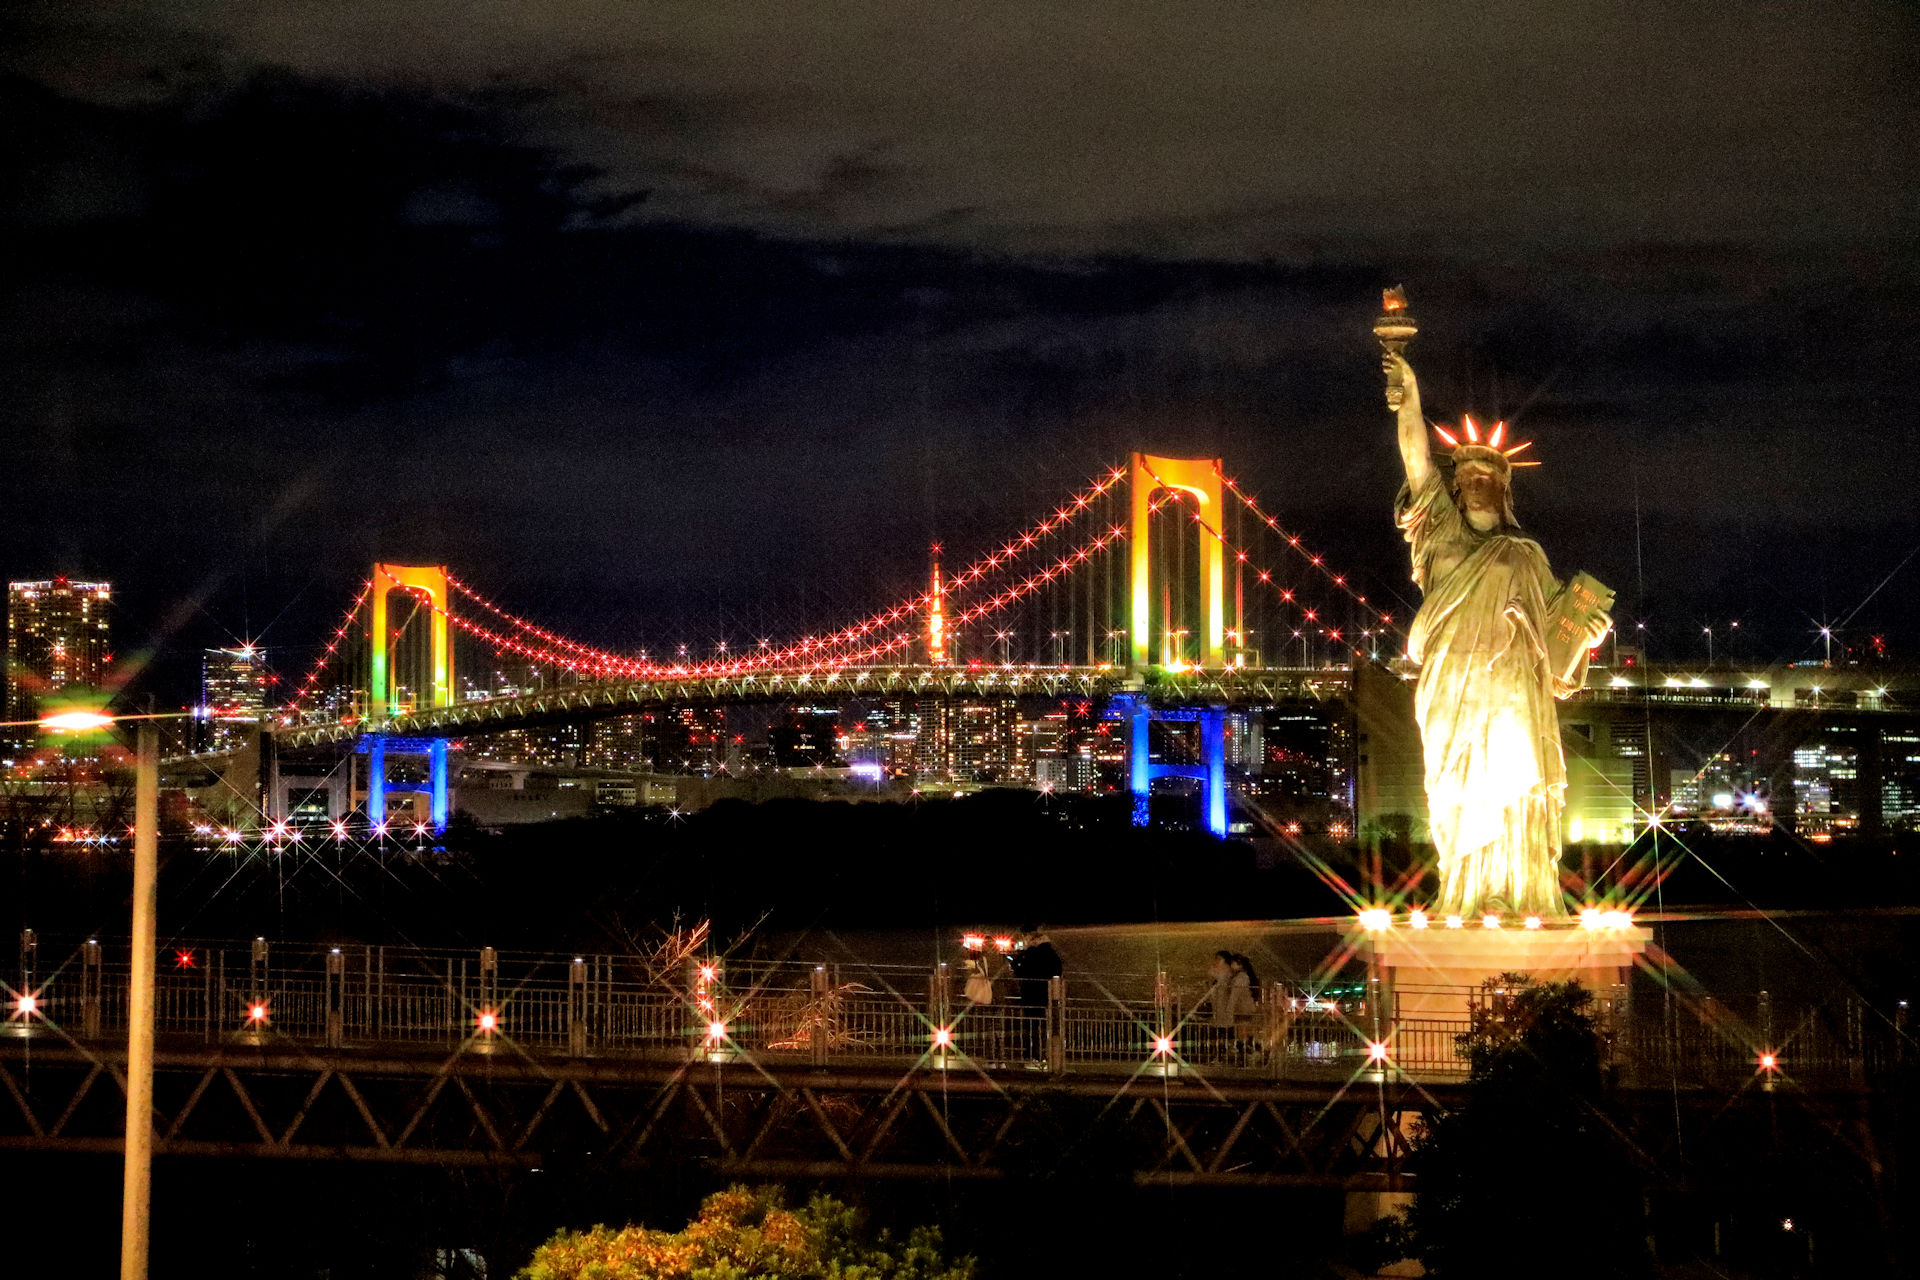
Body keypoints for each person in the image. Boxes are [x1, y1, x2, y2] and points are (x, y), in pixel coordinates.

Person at [1387, 352, 1611, 917]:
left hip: (1513, 689)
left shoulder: (1525, 553)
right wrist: (1409, 395)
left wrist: (1590, 633)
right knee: (1455, 790)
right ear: (1455, 489)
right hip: (1451, 686)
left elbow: (1558, 633)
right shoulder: (1437, 534)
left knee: (1516, 785)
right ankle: (1463, 892)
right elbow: (1416, 459)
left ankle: (1518, 893)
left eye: (1487, 476)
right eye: (1465, 477)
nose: (1475, 483)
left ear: (1504, 486)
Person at [1007, 926, 1062, 1062]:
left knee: (1030, 1025)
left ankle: (1030, 1053)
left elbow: (1019, 971)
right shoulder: (1051, 953)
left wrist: (1020, 955)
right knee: (1045, 1025)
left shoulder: (1030, 954)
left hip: (1030, 994)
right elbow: (1058, 970)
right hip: (1046, 995)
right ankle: (1044, 1053)